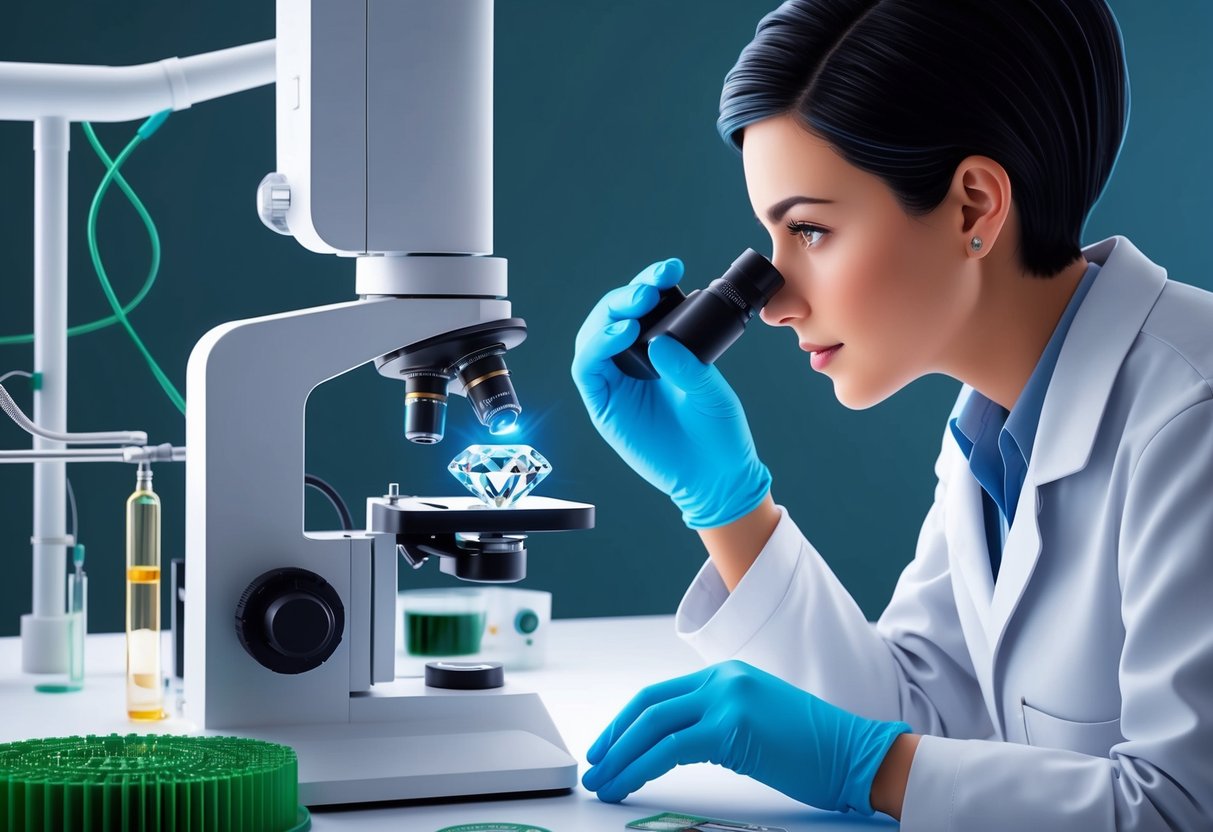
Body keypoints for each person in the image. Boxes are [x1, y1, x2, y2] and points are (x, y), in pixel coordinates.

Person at [569, 1, 1213, 829]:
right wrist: (727, 505)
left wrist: (857, 762)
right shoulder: (995, 425)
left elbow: (1181, 809)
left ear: (974, 207)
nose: (773, 303)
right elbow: (914, 716)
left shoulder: (1191, 417)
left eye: (809, 229)